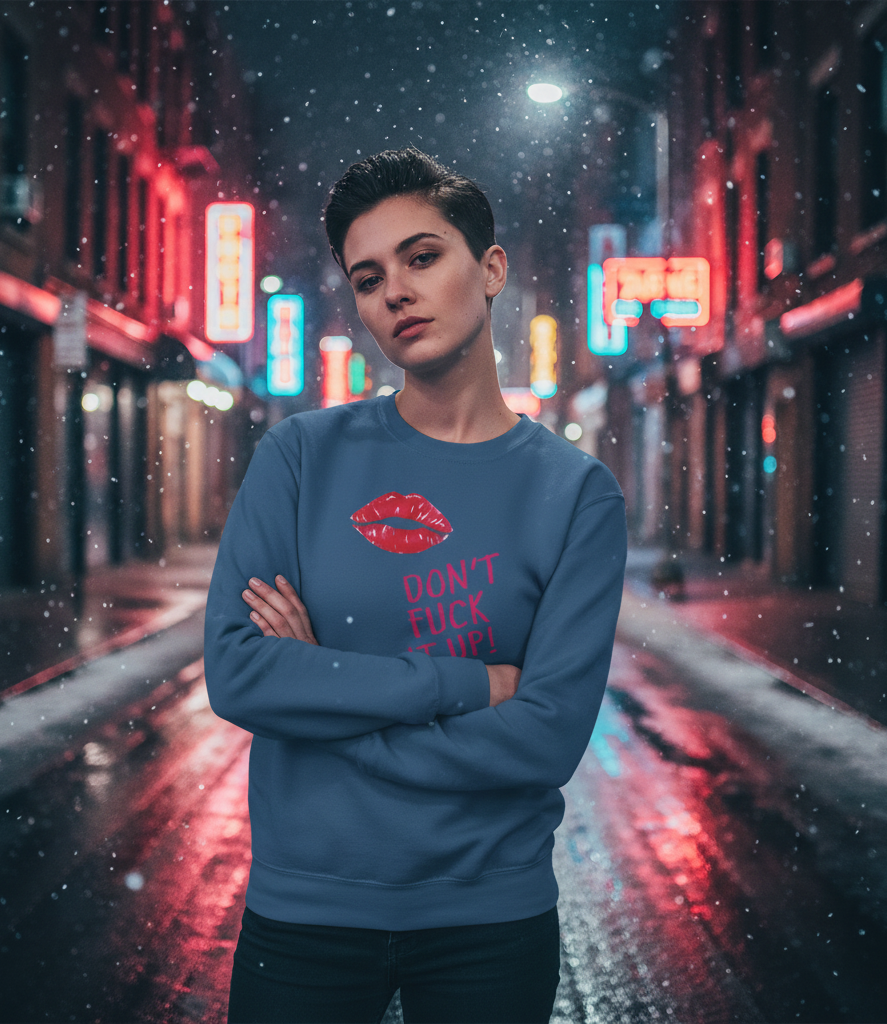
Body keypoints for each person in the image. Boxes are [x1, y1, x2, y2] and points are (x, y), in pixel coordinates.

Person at [204, 147, 627, 1024]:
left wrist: (323, 698)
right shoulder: (302, 457)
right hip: (305, 914)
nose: (394, 291)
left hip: (489, 921)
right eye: (367, 277)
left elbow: (545, 743)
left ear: (491, 269)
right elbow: (241, 672)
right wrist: (465, 686)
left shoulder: (575, 495)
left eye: (422, 257)